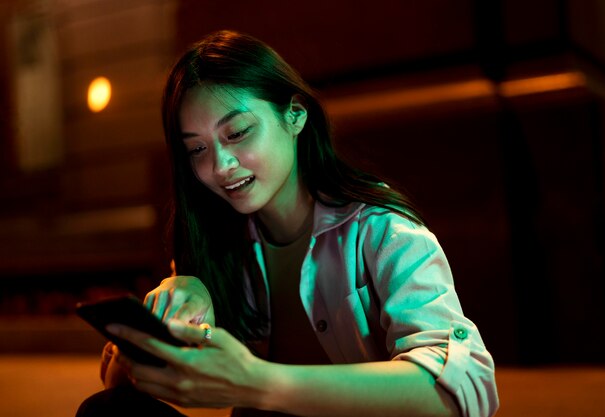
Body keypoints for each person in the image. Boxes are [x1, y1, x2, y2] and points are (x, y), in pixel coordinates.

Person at [77, 30, 499, 417]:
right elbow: (123, 387)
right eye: (197, 149)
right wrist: (176, 302)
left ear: (295, 116)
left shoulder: (384, 232)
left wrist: (258, 382)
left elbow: (460, 390)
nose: (220, 166)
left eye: (237, 133)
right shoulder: (218, 243)